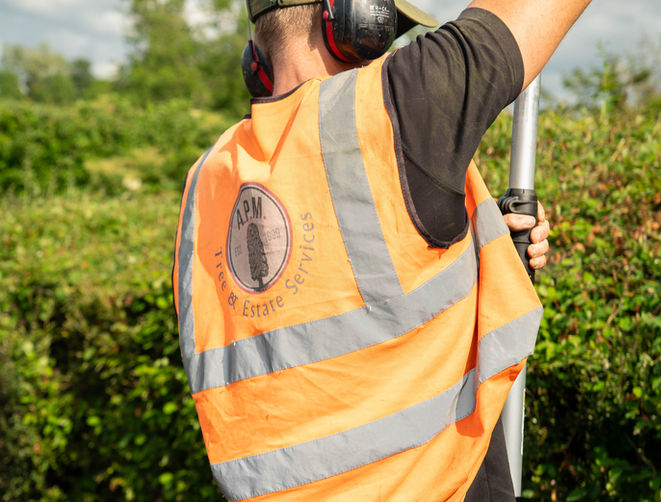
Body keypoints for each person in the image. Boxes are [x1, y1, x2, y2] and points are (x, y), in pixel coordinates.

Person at [174, 0, 588, 499]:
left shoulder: (208, 180)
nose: (386, 51)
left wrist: (479, 244)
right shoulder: (391, 108)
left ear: (255, 61)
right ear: (354, 22)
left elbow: (323, 306)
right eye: (384, 33)